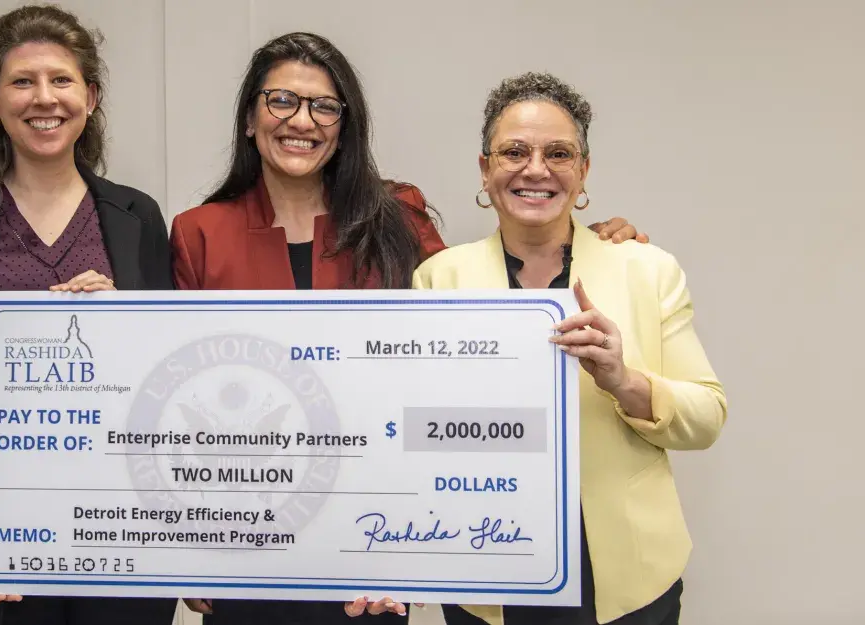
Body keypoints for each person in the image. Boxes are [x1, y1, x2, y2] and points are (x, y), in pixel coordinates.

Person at [169, 33, 647, 625]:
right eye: (281, 101)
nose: (303, 121)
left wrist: (587, 241)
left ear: (345, 124)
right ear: (249, 116)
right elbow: (183, 399)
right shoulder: (198, 232)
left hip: (376, 540)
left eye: (324, 106)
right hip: (248, 535)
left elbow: (478, 316)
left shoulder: (397, 215)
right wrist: (188, 548)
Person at [404, 72, 728, 625]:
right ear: (485, 169)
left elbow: (706, 418)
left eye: (559, 153)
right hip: (487, 566)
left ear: (583, 172)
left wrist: (623, 380)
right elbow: (412, 434)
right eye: (514, 152)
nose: (536, 169)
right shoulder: (440, 279)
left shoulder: (648, 270)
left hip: (626, 574)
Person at [0, 6, 177, 625]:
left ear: (91, 96)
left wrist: (117, 324)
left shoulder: (138, 217)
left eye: (62, 80)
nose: (43, 98)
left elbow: (165, 363)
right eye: (22, 81)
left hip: (121, 521)